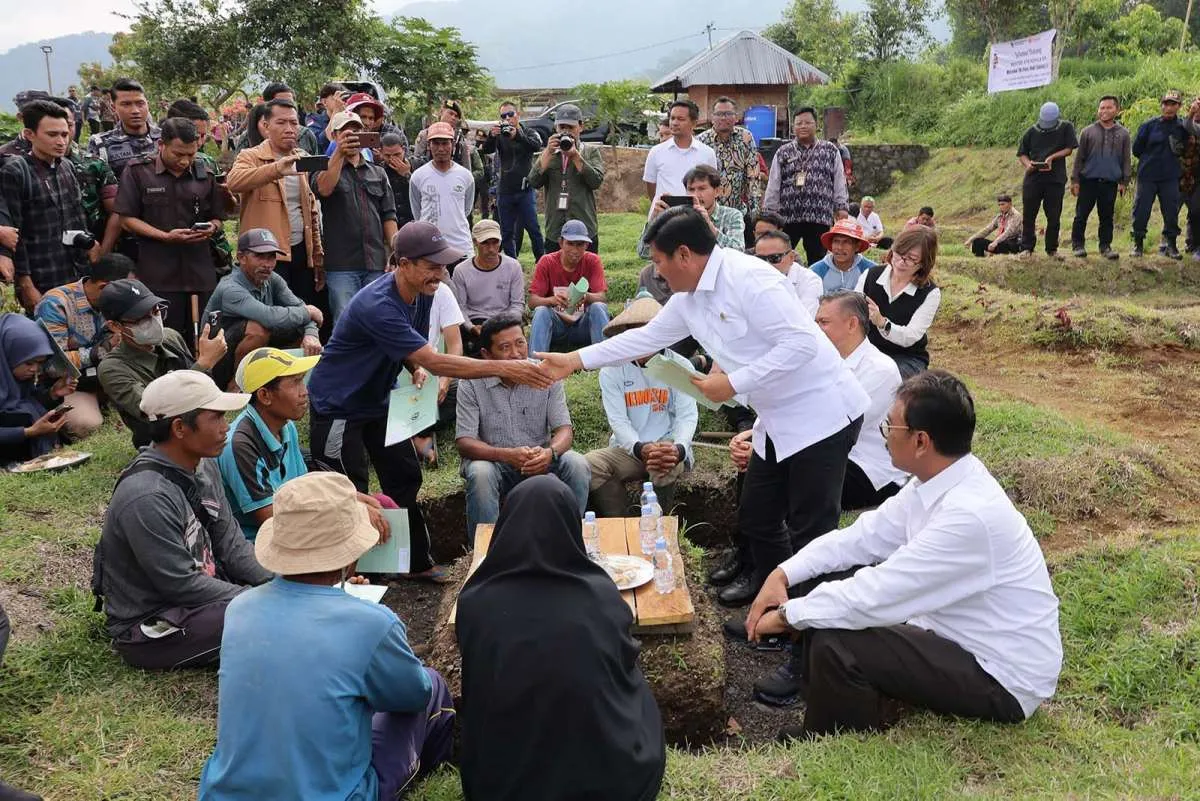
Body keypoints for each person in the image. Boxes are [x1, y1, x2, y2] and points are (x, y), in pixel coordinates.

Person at [539, 207, 869, 605]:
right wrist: (574, 360)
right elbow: (645, 338)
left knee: (810, 529)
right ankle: (770, 596)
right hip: (777, 416)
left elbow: (801, 344)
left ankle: (806, 625)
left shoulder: (750, 279)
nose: (657, 273)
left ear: (684, 255)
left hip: (822, 415)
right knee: (758, 516)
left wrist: (731, 382)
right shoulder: (688, 297)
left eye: (659, 262)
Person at [742, 371, 1062, 741]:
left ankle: (832, 739)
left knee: (834, 636)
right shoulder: (938, 483)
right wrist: (784, 573)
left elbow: (878, 592)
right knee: (831, 600)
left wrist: (787, 616)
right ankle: (850, 710)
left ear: (921, 441)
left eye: (890, 427)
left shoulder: (968, 515)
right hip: (957, 640)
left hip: (1001, 677)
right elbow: (861, 538)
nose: (884, 436)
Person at [305, 222, 553, 583]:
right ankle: (346, 580)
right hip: (338, 406)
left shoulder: (424, 294)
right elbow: (435, 359)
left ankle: (414, 562)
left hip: (377, 399)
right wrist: (507, 367)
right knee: (347, 489)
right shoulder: (378, 303)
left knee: (405, 475)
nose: (440, 273)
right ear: (402, 264)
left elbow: (409, 348)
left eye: (443, 265)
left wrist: (411, 364)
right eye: (431, 265)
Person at [198, 472, 453, 801]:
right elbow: (412, 696)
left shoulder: (239, 609)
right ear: (349, 554)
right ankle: (435, 769)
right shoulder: (373, 624)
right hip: (335, 794)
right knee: (431, 685)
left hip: (225, 794)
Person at [456, 476, 665, 801]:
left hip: (500, 787)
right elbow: (623, 663)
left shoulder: (475, 602)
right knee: (636, 690)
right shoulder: (601, 596)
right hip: (613, 786)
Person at [94, 370, 274, 670]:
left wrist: (281, 583)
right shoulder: (146, 497)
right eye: (215, 418)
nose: (225, 427)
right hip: (153, 623)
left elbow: (231, 544)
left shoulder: (205, 465)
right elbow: (181, 585)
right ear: (179, 427)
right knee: (267, 616)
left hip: (204, 598)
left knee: (287, 599)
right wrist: (262, 599)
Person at [457, 315, 590, 536]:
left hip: (540, 458)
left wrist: (550, 452)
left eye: (520, 343)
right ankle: (486, 554)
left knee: (577, 464)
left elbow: (564, 430)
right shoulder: (471, 382)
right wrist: (506, 455)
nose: (516, 353)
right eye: (505, 347)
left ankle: (569, 541)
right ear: (487, 356)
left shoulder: (547, 373)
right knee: (480, 472)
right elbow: (465, 442)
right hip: (495, 462)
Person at [114, 118, 225, 351]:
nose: (185, 161)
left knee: (204, 336)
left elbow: (218, 218)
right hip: (158, 272)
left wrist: (212, 228)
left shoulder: (205, 173)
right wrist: (164, 236)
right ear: (161, 145)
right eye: (178, 154)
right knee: (163, 339)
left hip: (199, 270)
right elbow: (126, 219)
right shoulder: (138, 172)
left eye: (191, 155)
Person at [584, 293, 698, 517]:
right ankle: (621, 521)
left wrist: (678, 448)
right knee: (591, 464)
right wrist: (639, 448)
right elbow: (618, 421)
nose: (644, 338)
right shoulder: (612, 369)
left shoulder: (680, 365)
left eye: (650, 331)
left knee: (663, 467)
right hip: (630, 449)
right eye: (636, 332)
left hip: (668, 447)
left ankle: (658, 526)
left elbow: (687, 416)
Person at [227, 98, 328, 336]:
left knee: (302, 316)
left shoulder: (302, 157)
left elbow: (311, 210)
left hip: (300, 251)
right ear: (265, 125)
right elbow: (234, 182)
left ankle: (297, 368)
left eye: (294, 123)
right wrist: (276, 169)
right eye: (281, 122)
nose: (289, 128)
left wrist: (317, 254)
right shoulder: (251, 156)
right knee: (269, 320)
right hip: (266, 253)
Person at [97, 278, 228, 447]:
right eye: (141, 319)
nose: (153, 321)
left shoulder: (170, 337)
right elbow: (155, 411)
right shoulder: (112, 368)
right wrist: (204, 363)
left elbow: (202, 393)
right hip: (161, 443)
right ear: (115, 326)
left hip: (201, 427)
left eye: (156, 311)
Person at [0, 101, 99, 313]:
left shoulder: (67, 166)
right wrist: (25, 283)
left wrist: (89, 246)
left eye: (64, 134)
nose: (61, 141)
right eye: (52, 135)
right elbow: (15, 234)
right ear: (29, 134)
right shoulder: (16, 171)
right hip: (41, 274)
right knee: (49, 338)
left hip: (76, 272)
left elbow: (76, 217)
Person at [814, 291, 908, 509]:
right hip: (831, 456)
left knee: (793, 477)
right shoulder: (821, 360)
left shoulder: (879, 369)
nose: (816, 329)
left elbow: (833, 427)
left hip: (869, 468)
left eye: (824, 322)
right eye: (816, 321)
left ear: (851, 324)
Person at [203, 228, 323, 389]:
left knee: (298, 327)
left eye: (271, 257)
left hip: (251, 348)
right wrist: (308, 312)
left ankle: (285, 384)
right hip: (217, 359)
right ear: (241, 257)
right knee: (257, 329)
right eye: (259, 256)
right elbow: (270, 317)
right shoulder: (230, 288)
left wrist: (310, 334)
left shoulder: (272, 279)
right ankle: (237, 385)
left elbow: (299, 308)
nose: (267, 264)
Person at [34, 253, 135, 438]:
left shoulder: (117, 300)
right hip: (72, 384)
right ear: (104, 287)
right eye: (125, 290)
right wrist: (101, 350)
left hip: (109, 375)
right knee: (86, 425)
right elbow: (53, 365)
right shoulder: (56, 303)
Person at [312, 111, 399, 321]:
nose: (353, 135)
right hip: (342, 265)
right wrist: (339, 154)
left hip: (375, 262)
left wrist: (396, 251)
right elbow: (323, 189)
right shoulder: (322, 169)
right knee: (346, 321)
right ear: (334, 135)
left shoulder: (377, 172)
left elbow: (389, 214)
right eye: (346, 131)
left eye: (358, 130)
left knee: (378, 319)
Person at [763, 107, 848, 265]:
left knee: (818, 260)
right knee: (780, 257)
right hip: (788, 216)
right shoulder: (783, 152)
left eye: (807, 122)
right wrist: (770, 212)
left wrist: (841, 206)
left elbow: (839, 180)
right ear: (793, 127)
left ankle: (816, 288)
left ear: (816, 125)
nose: (803, 126)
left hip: (820, 216)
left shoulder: (830, 150)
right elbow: (773, 183)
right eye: (799, 123)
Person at [856, 225, 941, 379]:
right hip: (867, 350)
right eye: (899, 254)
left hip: (906, 358)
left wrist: (882, 322)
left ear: (924, 263)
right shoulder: (871, 275)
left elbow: (910, 336)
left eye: (912, 259)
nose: (902, 262)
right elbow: (852, 311)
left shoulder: (930, 293)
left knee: (885, 379)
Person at [0, 314, 78, 465]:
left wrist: (53, 394)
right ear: (9, 353)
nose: (34, 369)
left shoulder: (15, 378)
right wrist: (29, 432)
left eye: (39, 363)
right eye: (28, 363)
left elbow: (23, 401)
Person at [528, 103, 606, 251]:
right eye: (561, 127)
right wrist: (547, 153)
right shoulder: (548, 155)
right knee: (557, 273)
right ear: (556, 128)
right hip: (556, 230)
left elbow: (596, 182)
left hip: (584, 228)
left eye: (570, 127)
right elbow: (533, 182)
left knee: (584, 274)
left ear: (580, 127)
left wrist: (576, 156)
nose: (566, 132)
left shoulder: (590, 152)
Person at [528, 220, 610, 354]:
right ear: (561, 243)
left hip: (582, 326)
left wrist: (586, 296)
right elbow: (532, 301)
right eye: (570, 244)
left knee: (598, 307)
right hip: (556, 326)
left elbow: (602, 297)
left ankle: (607, 361)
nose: (575, 250)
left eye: (580, 245)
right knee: (541, 310)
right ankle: (534, 362)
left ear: (587, 245)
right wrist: (552, 300)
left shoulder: (593, 261)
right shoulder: (547, 262)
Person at [1131, 90, 1194, 259]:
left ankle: (1171, 246)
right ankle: (1138, 244)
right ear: (1161, 105)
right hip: (1148, 175)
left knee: (1171, 212)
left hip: (1170, 176)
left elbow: (1187, 147)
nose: (1169, 107)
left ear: (1179, 106)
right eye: (1166, 103)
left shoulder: (1182, 127)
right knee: (1141, 210)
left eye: (1173, 104)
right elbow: (1136, 149)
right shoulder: (1148, 125)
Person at [1069, 96, 1131, 260]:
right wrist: (1075, 180)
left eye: (1108, 108)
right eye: (1101, 108)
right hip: (1088, 181)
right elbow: (1079, 158)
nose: (1104, 111)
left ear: (1116, 110)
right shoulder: (1088, 132)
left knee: (1106, 217)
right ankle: (1077, 245)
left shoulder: (1123, 134)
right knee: (1081, 215)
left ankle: (1105, 247)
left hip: (1110, 183)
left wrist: (1124, 181)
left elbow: (1126, 159)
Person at [453, 219, 526, 355]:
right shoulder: (461, 270)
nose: (491, 249)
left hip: (506, 318)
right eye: (485, 243)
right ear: (475, 242)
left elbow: (517, 304)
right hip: (476, 321)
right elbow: (460, 307)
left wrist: (505, 323)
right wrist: (471, 327)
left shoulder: (513, 266)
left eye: (495, 242)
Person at [638, 164, 744, 258]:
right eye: (691, 190)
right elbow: (644, 253)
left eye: (702, 188)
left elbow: (738, 252)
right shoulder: (679, 217)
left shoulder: (732, 215)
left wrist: (710, 227)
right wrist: (654, 222)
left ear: (717, 191)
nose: (696, 195)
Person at [483, 101, 545, 260]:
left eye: (511, 114)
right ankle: (512, 265)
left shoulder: (528, 132)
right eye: (503, 116)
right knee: (507, 232)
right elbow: (486, 150)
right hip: (505, 190)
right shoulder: (499, 136)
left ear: (518, 115)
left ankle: (542, 263)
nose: (508, 118)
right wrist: (491, 136)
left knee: (533, 229)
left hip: (525, 189)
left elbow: (536, 145)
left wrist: (516, 135)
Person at [1016, 102, 1077, 260]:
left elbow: (1070, 149)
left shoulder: (1066, 128)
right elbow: (1022, 153)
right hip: (1033, 178)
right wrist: (1028, 164)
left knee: (1054, 215)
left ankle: (1052, 249)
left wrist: (1051, 157)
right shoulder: (1032, 131)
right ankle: (1027, 247)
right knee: (1029, 214)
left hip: (1055, 179)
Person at [410, 121, 476, 258]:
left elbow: (466, 209)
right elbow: (417, 212)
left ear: (452, 145)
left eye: (445, 143)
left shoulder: (465, 176)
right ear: (429, 146)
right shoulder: (418, 176)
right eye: (436, 143)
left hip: (461, 247)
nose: (441, 148)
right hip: (429, 248)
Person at [697, 97, 763, 227]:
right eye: (719, 114)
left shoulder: (746, 138)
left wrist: (755, 212)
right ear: (712, 117)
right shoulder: (701, 141)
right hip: (706, 214)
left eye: (728, 114)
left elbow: (753, 176)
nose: (723, 118)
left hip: (737, 213)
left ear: (736, 117)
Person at [643, 100, 718, 212]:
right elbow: (651, 186)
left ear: (694, 123)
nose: (674, 123)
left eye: (681, 119)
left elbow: (711, 186)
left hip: (694, 216)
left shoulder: (707, 153)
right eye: (672, 118)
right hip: (662, 217)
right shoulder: (656, 152)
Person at [86, 78, 161, 178]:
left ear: (148, 104)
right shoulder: (101, 144)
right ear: (113, 107)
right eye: (126, 104)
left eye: (140, 103)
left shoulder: (166, 137)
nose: (135, 110)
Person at [412, 100, 485, 187]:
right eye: (450, 113)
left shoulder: (460, 141)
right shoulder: (425, 135)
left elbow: (467, 171)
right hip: (429, 184)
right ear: (441, 112)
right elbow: (417, 164)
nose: (453, 118)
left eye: (456, 116)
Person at [754, 230, 822, 318]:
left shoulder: (810, 280)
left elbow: (804, 320)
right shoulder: (749, 278)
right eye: (760, 259)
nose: (767, 264)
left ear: (791, 257)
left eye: (775, 258)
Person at [809, 219, 877, 293]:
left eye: (847, 242)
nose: (840, 247)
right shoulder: (816, 271)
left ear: (857, 246)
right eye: (836, 241)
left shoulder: (870, 271)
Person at [380, 132, 415, 228]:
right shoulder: (378, 172)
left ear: (403, 150)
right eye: (388, 156)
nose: (392, 159)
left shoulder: (417, 165)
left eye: (397, 154)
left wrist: (407, 175)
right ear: (381, 153)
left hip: (413, 224)